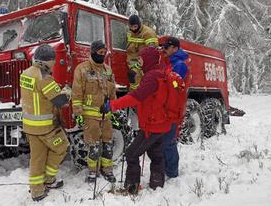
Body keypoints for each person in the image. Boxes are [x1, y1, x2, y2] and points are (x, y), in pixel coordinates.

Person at [100, 47, 172, 194]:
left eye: (141, 59)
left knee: (131, 153)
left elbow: (136, 96)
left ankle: (131, 187)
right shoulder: (159, 73)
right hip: (160, 123)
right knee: (156, 154)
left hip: (152, 125)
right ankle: (157, 184)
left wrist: (112, 105)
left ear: (149, 60)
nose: (139, 62)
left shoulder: (152, 77)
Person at [20, 44, 71, 201]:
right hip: (46, 127)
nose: (54, 64)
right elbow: (60, 101)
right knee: (61, 148)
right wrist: (68, 91)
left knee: (37, 158)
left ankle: (36, 190)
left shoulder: (26, 73)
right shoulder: (44, 77)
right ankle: (49, 180)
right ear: (47, 61)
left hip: (30, 126)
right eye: (53, 61)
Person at [72, 40, 116, 183]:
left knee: (108, 142)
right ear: (93, 52)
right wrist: (78, 114)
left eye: (104, 53)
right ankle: (93, 171)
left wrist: (112, 106)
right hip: (90, 116)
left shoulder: (108, 70)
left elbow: (113, 91)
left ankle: (107, 169)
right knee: (93, 144)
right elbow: (77, 93)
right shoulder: (82, 69)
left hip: (106, 115)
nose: (102, 55)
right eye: (100, 52)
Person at [161, 36, 188, 178]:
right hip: (167, 106)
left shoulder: (180, 65)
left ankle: (172, 172)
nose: (163, 49)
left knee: (169, 140)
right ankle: (167, 168)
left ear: (175, 48)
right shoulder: (169, 63)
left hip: (174, 107)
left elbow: (175, 88)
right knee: (164, 139)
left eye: (166, 47)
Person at [127, 14, 158, 91]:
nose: (133, 29)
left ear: (139, 25)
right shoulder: (130, 33)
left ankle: (137, 97)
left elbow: (152, 52)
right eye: (131, 27)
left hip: (142, 63)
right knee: (132, 78)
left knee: (134, 76)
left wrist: (141, 64)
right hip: (131, 62)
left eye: (135, 27)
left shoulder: (148, 33)